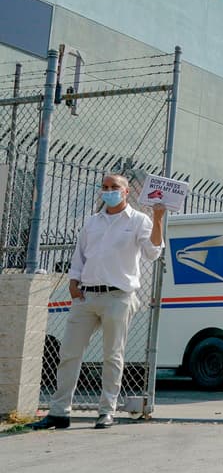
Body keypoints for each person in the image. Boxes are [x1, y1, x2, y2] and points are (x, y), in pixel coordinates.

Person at [31, 172, 165, 430]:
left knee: (112, 356)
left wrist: (158, 219)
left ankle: (107, 411)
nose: (109, 191)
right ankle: (59, 412)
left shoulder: (139, 221)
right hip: (86, 296)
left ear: (126, 192)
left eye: (114, 187)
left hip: (118, 296)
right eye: (105, 187)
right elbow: (80, 254)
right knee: (69, 354)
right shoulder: (93, 222)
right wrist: (73, 280)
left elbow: (152, 252)